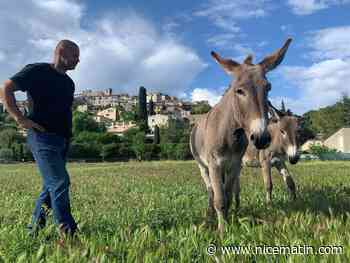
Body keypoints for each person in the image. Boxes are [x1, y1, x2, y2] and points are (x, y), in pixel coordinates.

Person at [0, 39, 80, 237]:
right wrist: (20, 119)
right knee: (60, 182)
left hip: (62, 140)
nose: (78, 60)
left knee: (50, 186)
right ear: (61, 52)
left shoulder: (69, 83)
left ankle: (34, 231)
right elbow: (6, 88)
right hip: (42, 138)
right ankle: (68, 233)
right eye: (75, 55)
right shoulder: (36, 71)